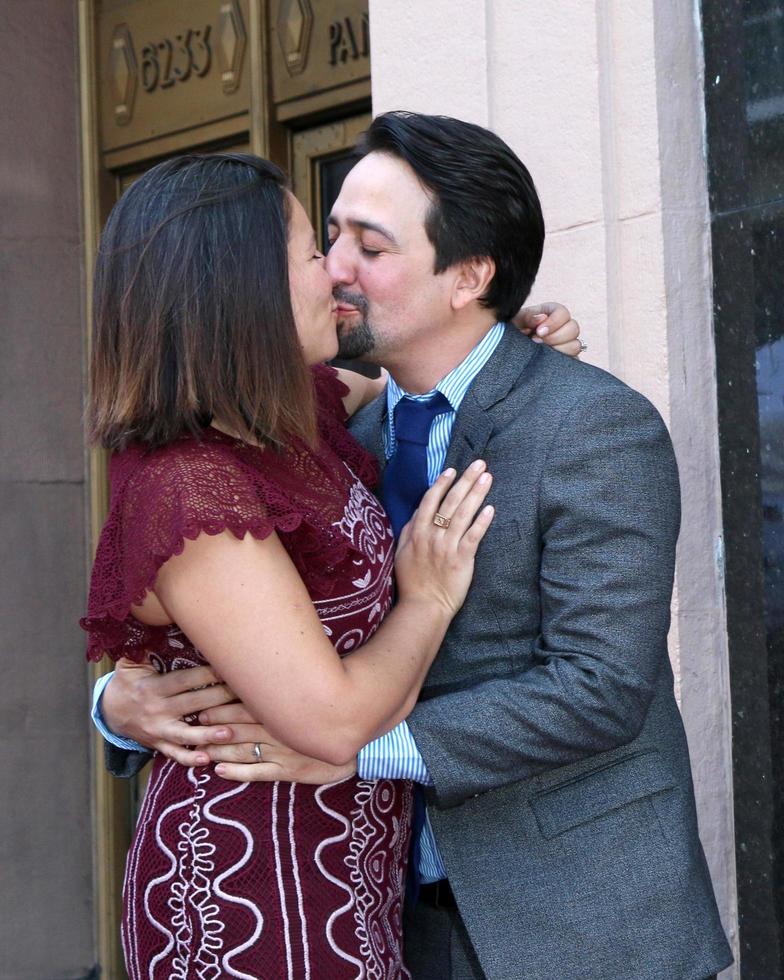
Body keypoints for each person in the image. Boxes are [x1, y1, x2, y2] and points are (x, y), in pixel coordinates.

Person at [95, 113, 733, 979]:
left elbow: (600, 686)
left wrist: (352, 748)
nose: (340, 270)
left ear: (469, 274)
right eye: (326, 241)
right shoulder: (316, 425)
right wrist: (115, 703)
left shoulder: (590, 425)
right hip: (349, 908)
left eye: (371, 245)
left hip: (572, 923)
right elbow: (207, 604)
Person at [82, 150, 509, 979]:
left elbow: (407, 382)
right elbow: (335, 721)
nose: (335, 273)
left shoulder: (291, 411)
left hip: (340, 875)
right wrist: (424, 600)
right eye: (314, 251)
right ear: (242, 291)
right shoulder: (192, 489)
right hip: (250, 894)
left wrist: (505, 337)